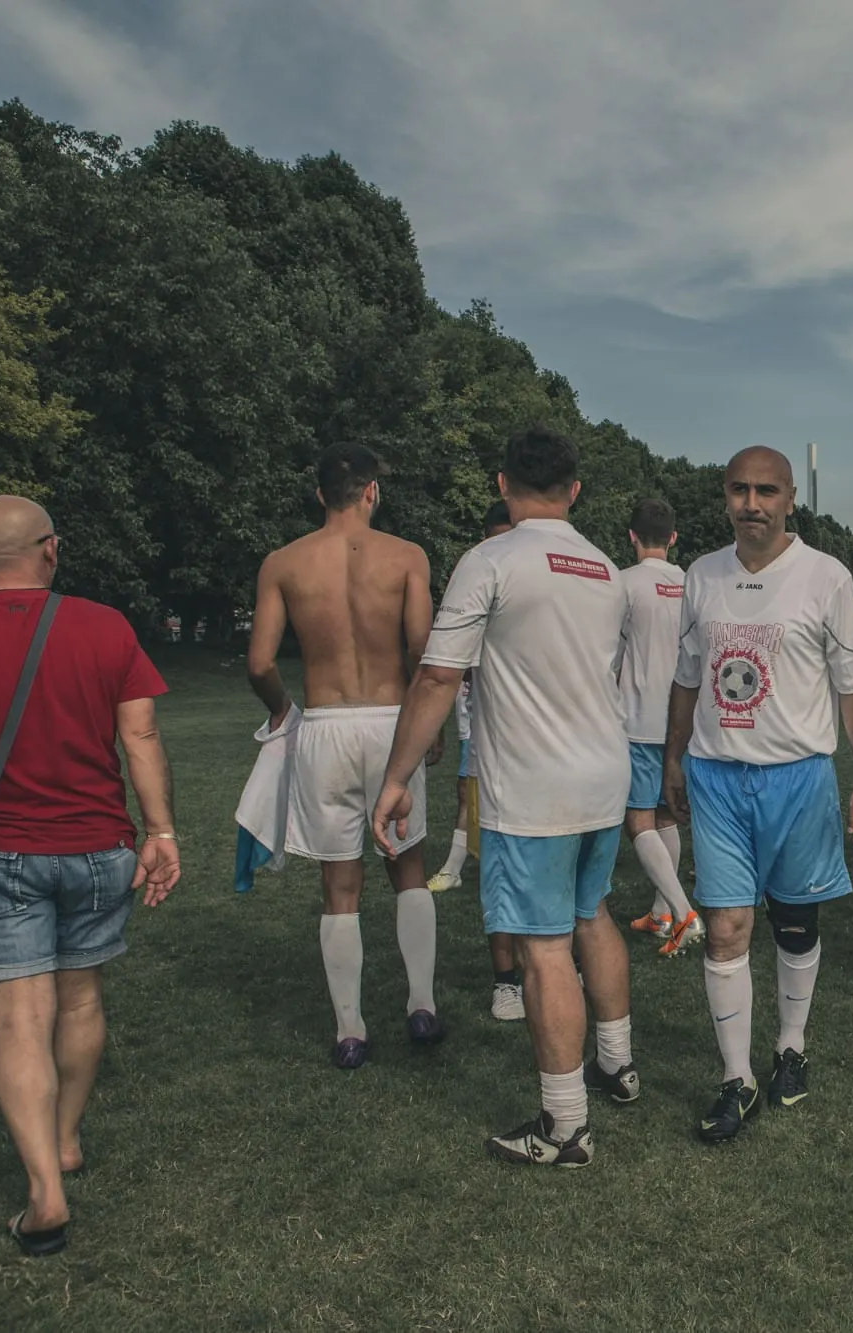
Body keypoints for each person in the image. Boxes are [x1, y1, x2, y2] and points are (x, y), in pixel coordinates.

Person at [0, 496, 182, 1256]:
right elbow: (140, 735)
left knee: (19, 1021)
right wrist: (160, 831)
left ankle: (44, 1192)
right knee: (81, 996)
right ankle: (64, 1139)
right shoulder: (104, 626)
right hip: (98, 846)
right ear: (52, 549)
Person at [372, 426, 636, 1168]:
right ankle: (618, 1063)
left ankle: (565, 1127)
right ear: (574, 489)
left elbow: (438, 675)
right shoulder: (604, 567)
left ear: (501, 484)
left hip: (534, 786)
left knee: (544, 947)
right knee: (592, 914)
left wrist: (396, 778)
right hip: (604, 773)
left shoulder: (489, 560)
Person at [662, 446, 853, 1144]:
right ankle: (737, 1079)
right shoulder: (701, 575)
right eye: (739, 490)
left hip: (800, 776)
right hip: (717, 776)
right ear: (724, 496)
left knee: (794, 921)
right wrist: (673, 757)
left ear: (790, 498)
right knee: (726, 928)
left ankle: (791, 1045)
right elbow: (688, 677)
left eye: (765, 491)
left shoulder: (826, 575)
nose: (751, 503)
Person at [247, 445, 442, 1069]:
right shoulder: (407, 556)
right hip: (392, 722)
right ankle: (421, 1004)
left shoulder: (283, 562)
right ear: (372, 492)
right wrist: (426, 726)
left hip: (326, 724)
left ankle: (350, 1030)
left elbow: (259, 663)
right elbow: (421, 650)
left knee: (340, 883)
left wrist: (284, 710)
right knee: (408, 866)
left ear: (319, 495)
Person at [427, 501, 525, 1020]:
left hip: (553, 759)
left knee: (563, 881)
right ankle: (507, 981)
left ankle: (566, 965)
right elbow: (443, 671)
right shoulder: (476, 577)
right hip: (492, 751)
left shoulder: (558, 579)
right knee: (500, 872)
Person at [619, 498, 701, 954]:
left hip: (637, 718)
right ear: (673, 538)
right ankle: (662, 913)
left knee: (638, 820)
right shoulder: (693, 584)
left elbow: (609, 655)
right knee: (667, 816)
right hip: (684, 723)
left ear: (631, 536)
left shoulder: (622, 583)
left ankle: (683, 912)